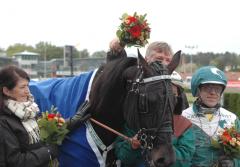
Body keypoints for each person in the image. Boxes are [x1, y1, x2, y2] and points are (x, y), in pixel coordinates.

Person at [114, 70, 195, 167]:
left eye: (171, 95)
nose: (166, 100)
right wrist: (132, 146)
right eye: (161, 94)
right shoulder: (134, 121)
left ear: (178, 97)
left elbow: (185, 159)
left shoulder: (184, 124)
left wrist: (160, 150)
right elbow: (122, 156)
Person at [0, 65, 58, 167]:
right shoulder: (3, 121)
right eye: (22, 87)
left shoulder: (29, 111)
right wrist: (48, 152)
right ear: (6, 91)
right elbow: (15, 161)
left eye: (28, 86)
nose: (27, 91)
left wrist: (70, 123)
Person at [182, 66, 240, 167]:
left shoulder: (232, 119)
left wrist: (234, 163)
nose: (213, 92)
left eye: (217, 88)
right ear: (198, 90)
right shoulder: (183, 117)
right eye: (207, 87)